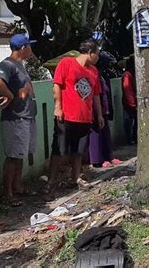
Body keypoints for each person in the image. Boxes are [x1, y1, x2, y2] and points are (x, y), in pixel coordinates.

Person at [45, 39, 104, 193]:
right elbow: (57, 85)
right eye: (97, 54)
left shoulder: (94, 71)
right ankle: (51, 181)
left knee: (79, 150)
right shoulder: (66, 63)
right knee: (59, 148)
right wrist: (58, 107)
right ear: (90, 53)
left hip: (85, 116)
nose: (98, 57)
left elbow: (96, 94)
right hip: (66, 115)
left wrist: (99, 114)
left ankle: (75, 177)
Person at [0, 34, 37, 206]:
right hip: (15, 117)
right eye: (30, 46)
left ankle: (18, 187)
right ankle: (8, 193)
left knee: (20, 154)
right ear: (23, 47)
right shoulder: (7, 64)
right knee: (13, 156)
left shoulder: (19, 66)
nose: (31, 50)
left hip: (25, 116)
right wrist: (11, 96)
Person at [88, 52, 121, 168]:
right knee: (96, 134)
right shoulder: (92, 74)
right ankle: (98, 159)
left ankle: (109, 156)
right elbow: (96, 94)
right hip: (96, 108)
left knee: (105, 133)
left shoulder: (103, 76)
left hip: (104, 108)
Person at [122, 56, 137, 145]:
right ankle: (129, 139)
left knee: (134, 122)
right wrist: (133, 104)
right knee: (129, 121)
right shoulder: (127, 75)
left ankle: (134, 138)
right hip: (129, 103)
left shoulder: (131, 74)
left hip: (133, 102)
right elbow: (128, 90)